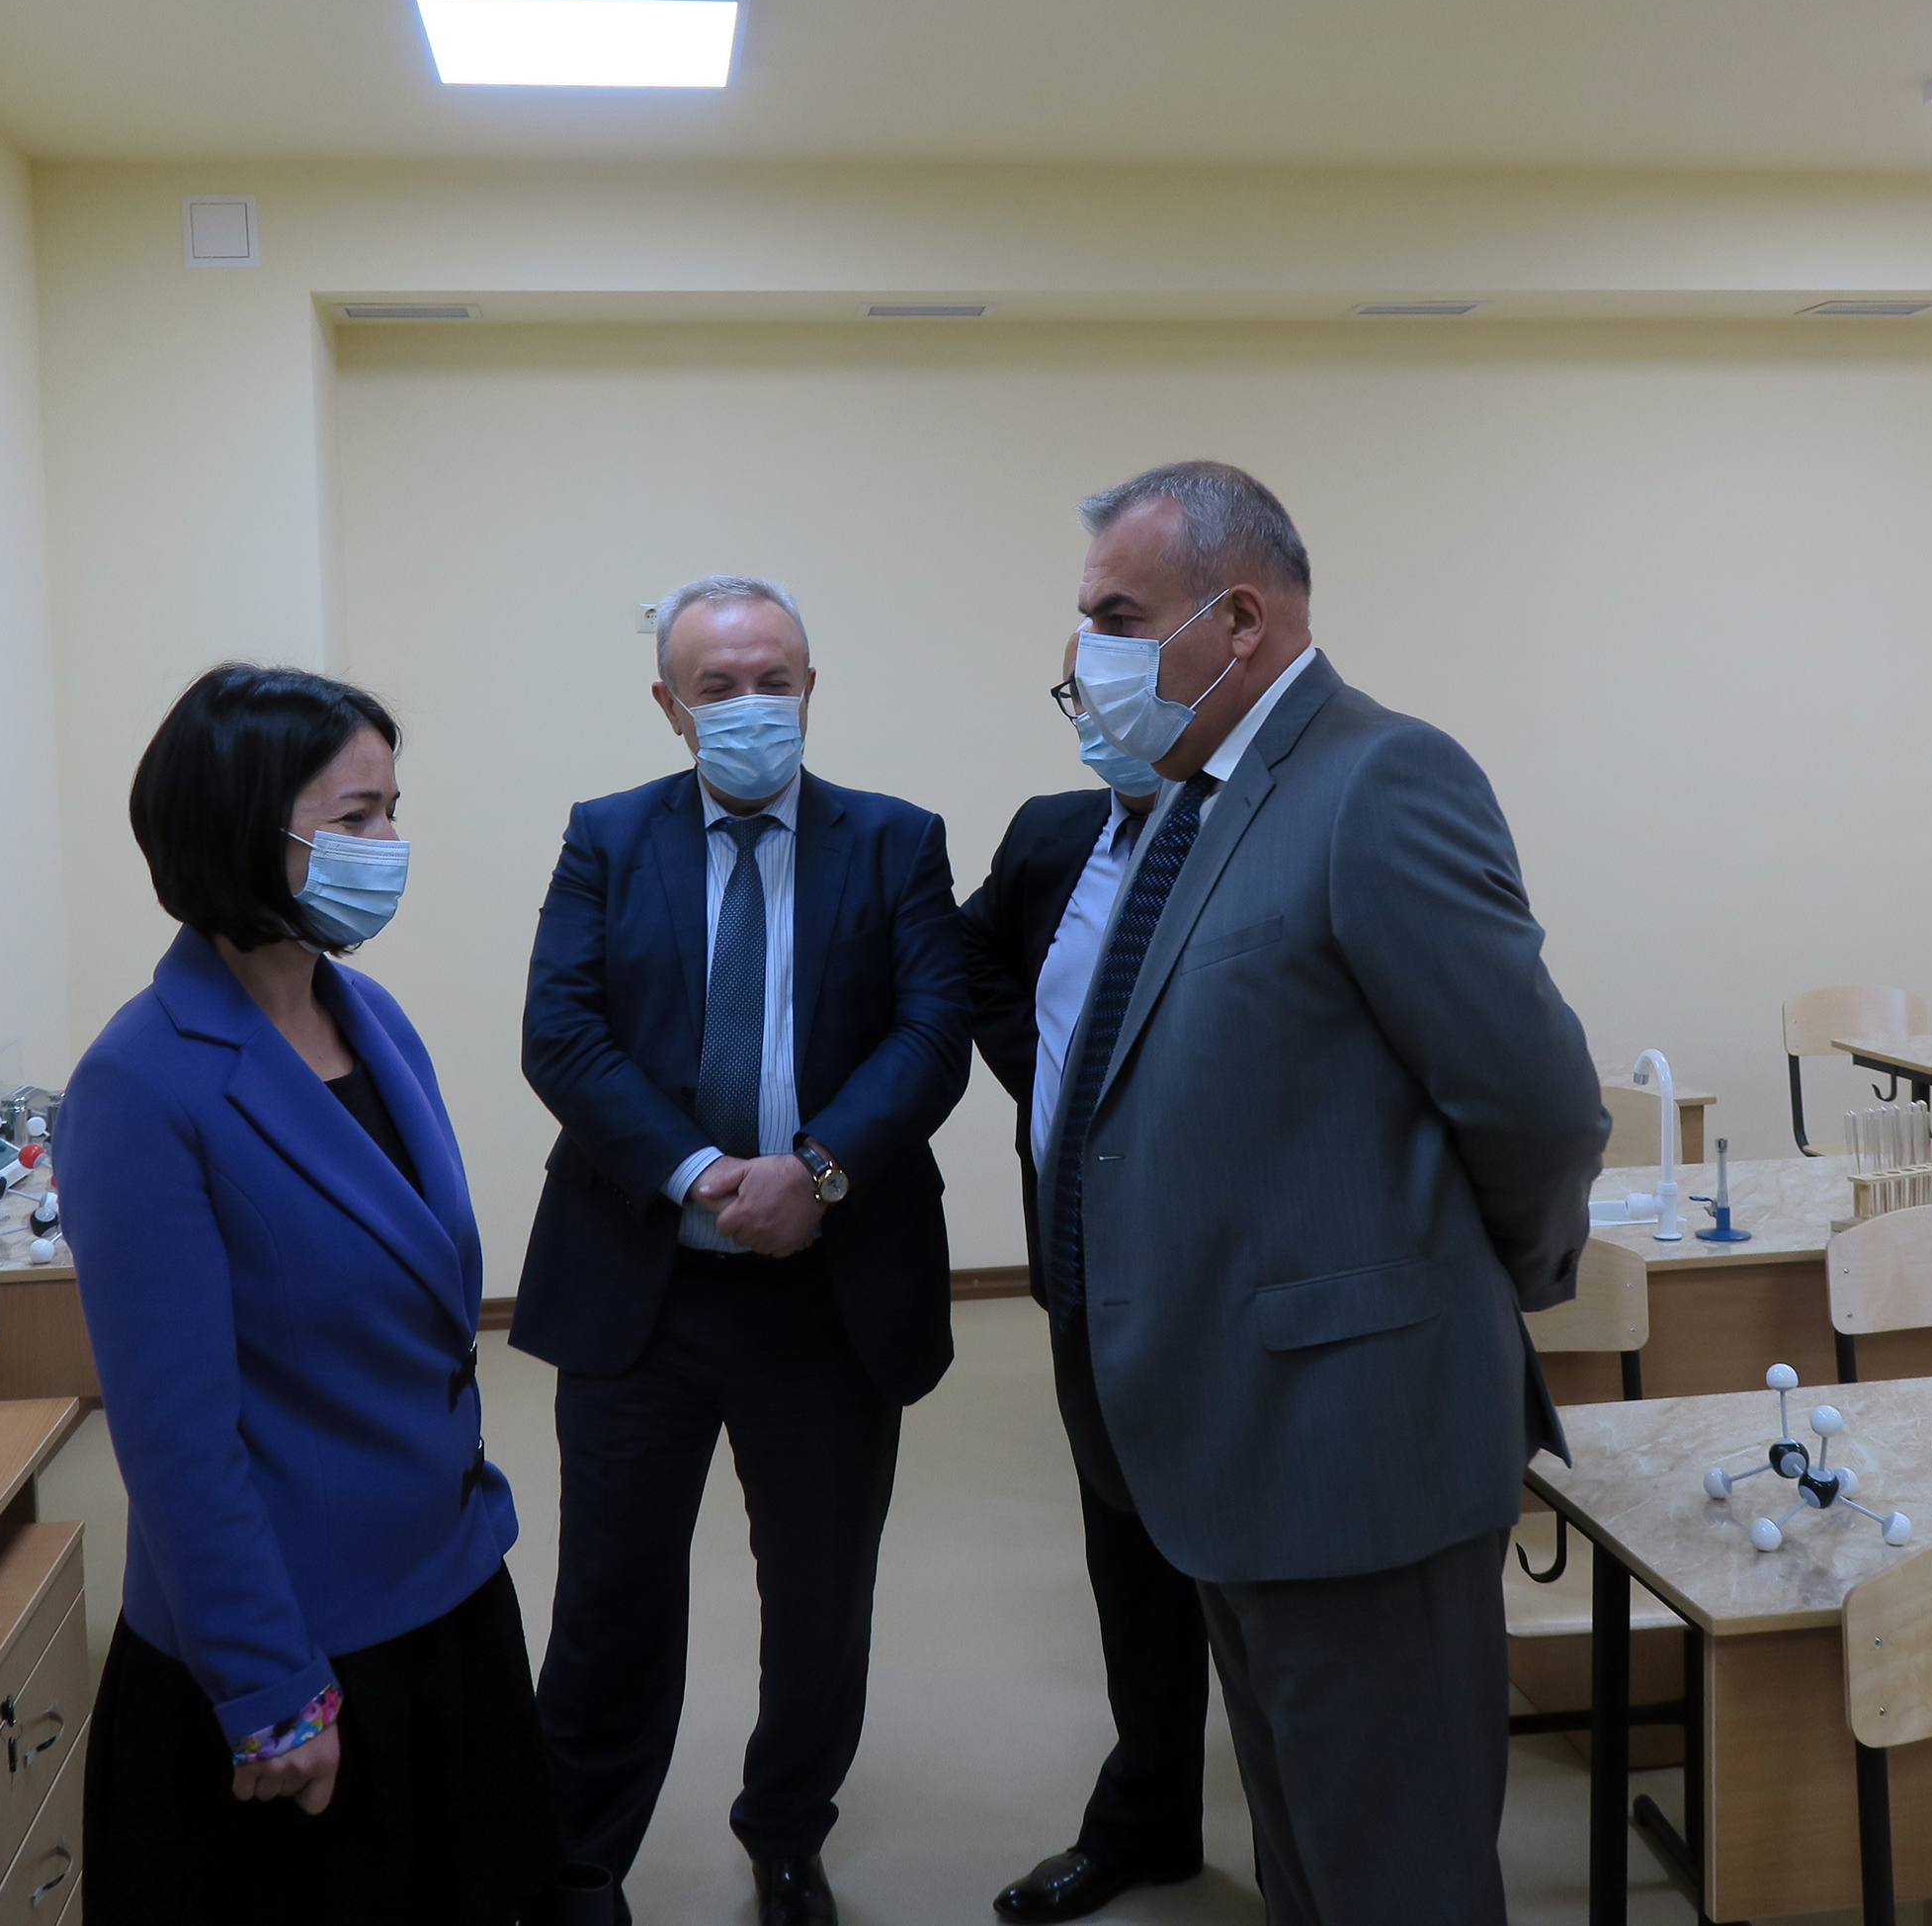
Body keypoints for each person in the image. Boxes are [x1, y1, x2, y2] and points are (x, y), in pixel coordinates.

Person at [1039, 463, 1609, 1926]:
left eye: (1119, 616)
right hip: (1233, 1445)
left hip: (1359, 1444)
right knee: (1307, 1853)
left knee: (1394, 1871)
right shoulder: (1200, 803)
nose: (1086, 652)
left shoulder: (1379, 778)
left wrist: (1473, 1290)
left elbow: (1536, 1106)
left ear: (1238, 620)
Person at [63, 664, 586, 1926]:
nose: (388, 845)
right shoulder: (142, 1083)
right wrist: (269, 1692)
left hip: (447, 1587)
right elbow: (177, 1440)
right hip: (296, 1643)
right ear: (240, 826)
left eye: (392, 811)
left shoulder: (370, 1017)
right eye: (356, 818)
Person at [515, 576, 970, 1926]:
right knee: (609, 1597)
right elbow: (563, 1032)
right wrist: (702, 1173)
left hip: (829, 1295)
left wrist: (815, 1172)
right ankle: (579, 1863)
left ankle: (785, 1832)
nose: (751, 704)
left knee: (820, 1601)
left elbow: (930, 1035)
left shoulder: (895, 842)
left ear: (810, 688)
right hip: (640, 1289)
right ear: (671, 706)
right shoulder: (607, 837)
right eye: (718, 686)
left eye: (775, 678)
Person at [955, 663, 1209, 1925]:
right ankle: (1149, 1818)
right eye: (1075, 696)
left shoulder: (1259, 837)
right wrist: (1055, 1078)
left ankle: (1323, 1846)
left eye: (1115, 675)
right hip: (1083, 1264)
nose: (1094, 719)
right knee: (1130, 1554)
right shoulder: (1051, 835)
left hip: (1224, 1280)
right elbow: (969, 958)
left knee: (1255, 1573)